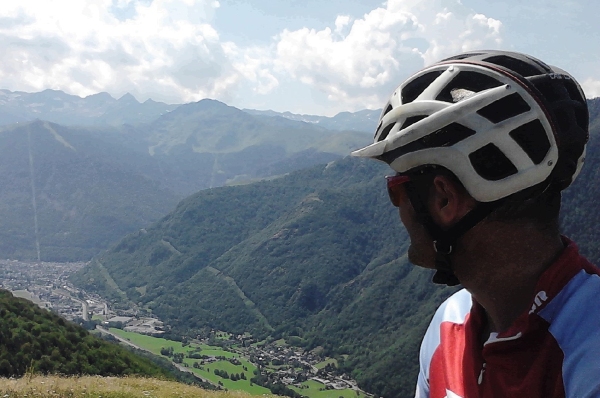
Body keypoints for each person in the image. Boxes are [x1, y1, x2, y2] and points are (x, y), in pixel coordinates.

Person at [352, 50, 600, 398]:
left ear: (444, 199)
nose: (397, 207)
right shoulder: (447, 322)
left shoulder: (591, 356)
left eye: (397, 190)